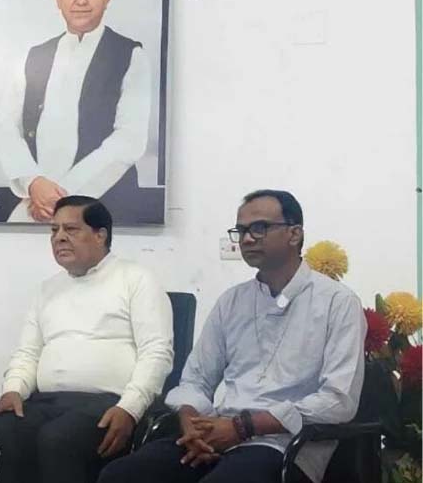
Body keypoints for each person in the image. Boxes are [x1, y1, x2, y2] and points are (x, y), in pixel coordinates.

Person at [98, 190, 365, 483]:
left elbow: (338, 401)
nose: (247, 239)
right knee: (120, 475)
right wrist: (191, 421)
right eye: (241, 231)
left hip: (285, 444)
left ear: (294, 234)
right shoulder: (232, 301)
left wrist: (245, 427)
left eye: (259, 228)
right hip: (217, 431)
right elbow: (196, 380)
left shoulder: (337, 302)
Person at [0, 195, 173, 483]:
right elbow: (27, 354)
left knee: (58, 438)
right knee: (0, 430)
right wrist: (13, 391)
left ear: (100, 235)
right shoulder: (47, 290)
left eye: (71, 229)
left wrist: (130, 409)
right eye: (54, 230)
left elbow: (157, 353)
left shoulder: (136, 279)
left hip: (110, 402)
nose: (59, 238)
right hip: (47, 402)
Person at [0, 0, 159, 224]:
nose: (81, 0)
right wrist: (33, 182)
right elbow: (5, 127)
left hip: (104, 209)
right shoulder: (33, 57)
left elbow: (128, 139)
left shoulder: (130, 55)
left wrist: (63, 196)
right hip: (34, 204)